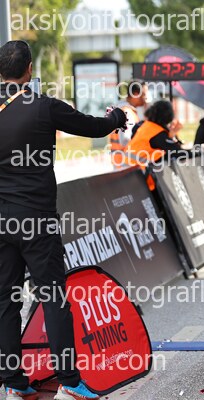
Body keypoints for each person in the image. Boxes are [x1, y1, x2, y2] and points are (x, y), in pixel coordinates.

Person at [0, 40, 126, 400]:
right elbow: (94, 127)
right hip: (36, 221)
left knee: (5, 301)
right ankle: (69, 380)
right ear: (29, 70)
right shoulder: (43, 106)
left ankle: (13, 381)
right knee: (53, 297)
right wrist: (116, 118)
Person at [122, 100, 204, 190]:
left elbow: (159, 146)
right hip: (140, 178)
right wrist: (201, 150)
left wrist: (170, 135)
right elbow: (180, 154)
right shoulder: (158, 134)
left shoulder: (145, 126)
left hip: (127, 172)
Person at [110, 80, 147, 169]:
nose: (146, 98)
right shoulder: (127, 113)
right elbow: (125, 140)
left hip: (121, 164)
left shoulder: (122, 110)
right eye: (144, 94)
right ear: (135, 94)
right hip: (126, 166)